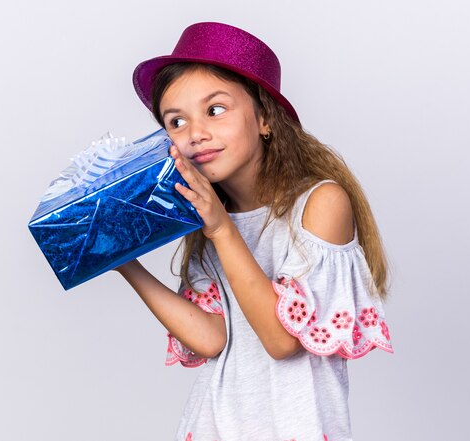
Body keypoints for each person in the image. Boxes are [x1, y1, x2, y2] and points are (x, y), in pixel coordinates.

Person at [115, 22, 394, 441]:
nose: (195, 133)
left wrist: (221, 229)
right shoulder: (210, 220)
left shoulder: (320, 203)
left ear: (264, 116)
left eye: (215, 109)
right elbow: (211, 338)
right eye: (176, 121)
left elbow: (283, 341)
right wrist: (122, 260)